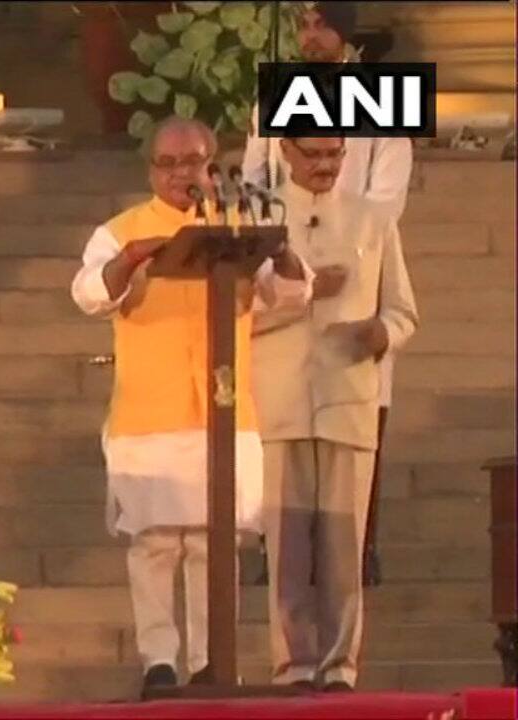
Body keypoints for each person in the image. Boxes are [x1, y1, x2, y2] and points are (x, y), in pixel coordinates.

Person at [70, 117, 311, 695]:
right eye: (169, 164)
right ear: (151, 169)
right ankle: (159, 660)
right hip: (148, 413)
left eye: (193, 162)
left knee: (214, 542)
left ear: (214, 166)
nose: (182, 174)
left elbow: (294, 293)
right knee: (155, 544)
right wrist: (132, 259)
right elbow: (89, 294)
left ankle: (211, 660)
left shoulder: (235, 225)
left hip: (224, 411)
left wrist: (280, 244)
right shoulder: (120, 230)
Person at [241, 0, 414, 585]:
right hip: (286, 285)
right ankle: (275, 548)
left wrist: (341, 243)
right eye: (304, 26)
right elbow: (254, 187)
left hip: (357, 270)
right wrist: (297, 258)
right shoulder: (277, 94)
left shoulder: (379, 95)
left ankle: (358, 549)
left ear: (346, 33)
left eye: (324, 26)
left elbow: (386, 197)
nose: (312, 38)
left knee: (356, 416)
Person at [251, 135, 418, 691]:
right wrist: (305, 293)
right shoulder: (259, 220)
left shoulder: (372, 221)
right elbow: (234, 316)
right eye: (313, 155)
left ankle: (340, 665)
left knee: (343, 546)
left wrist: (380, 333)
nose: (324, 166)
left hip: (348, 400)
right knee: (288, 544)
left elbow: (403, 312)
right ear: (285, 154)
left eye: (334, 156)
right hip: (279, 398)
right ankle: (293, 665)